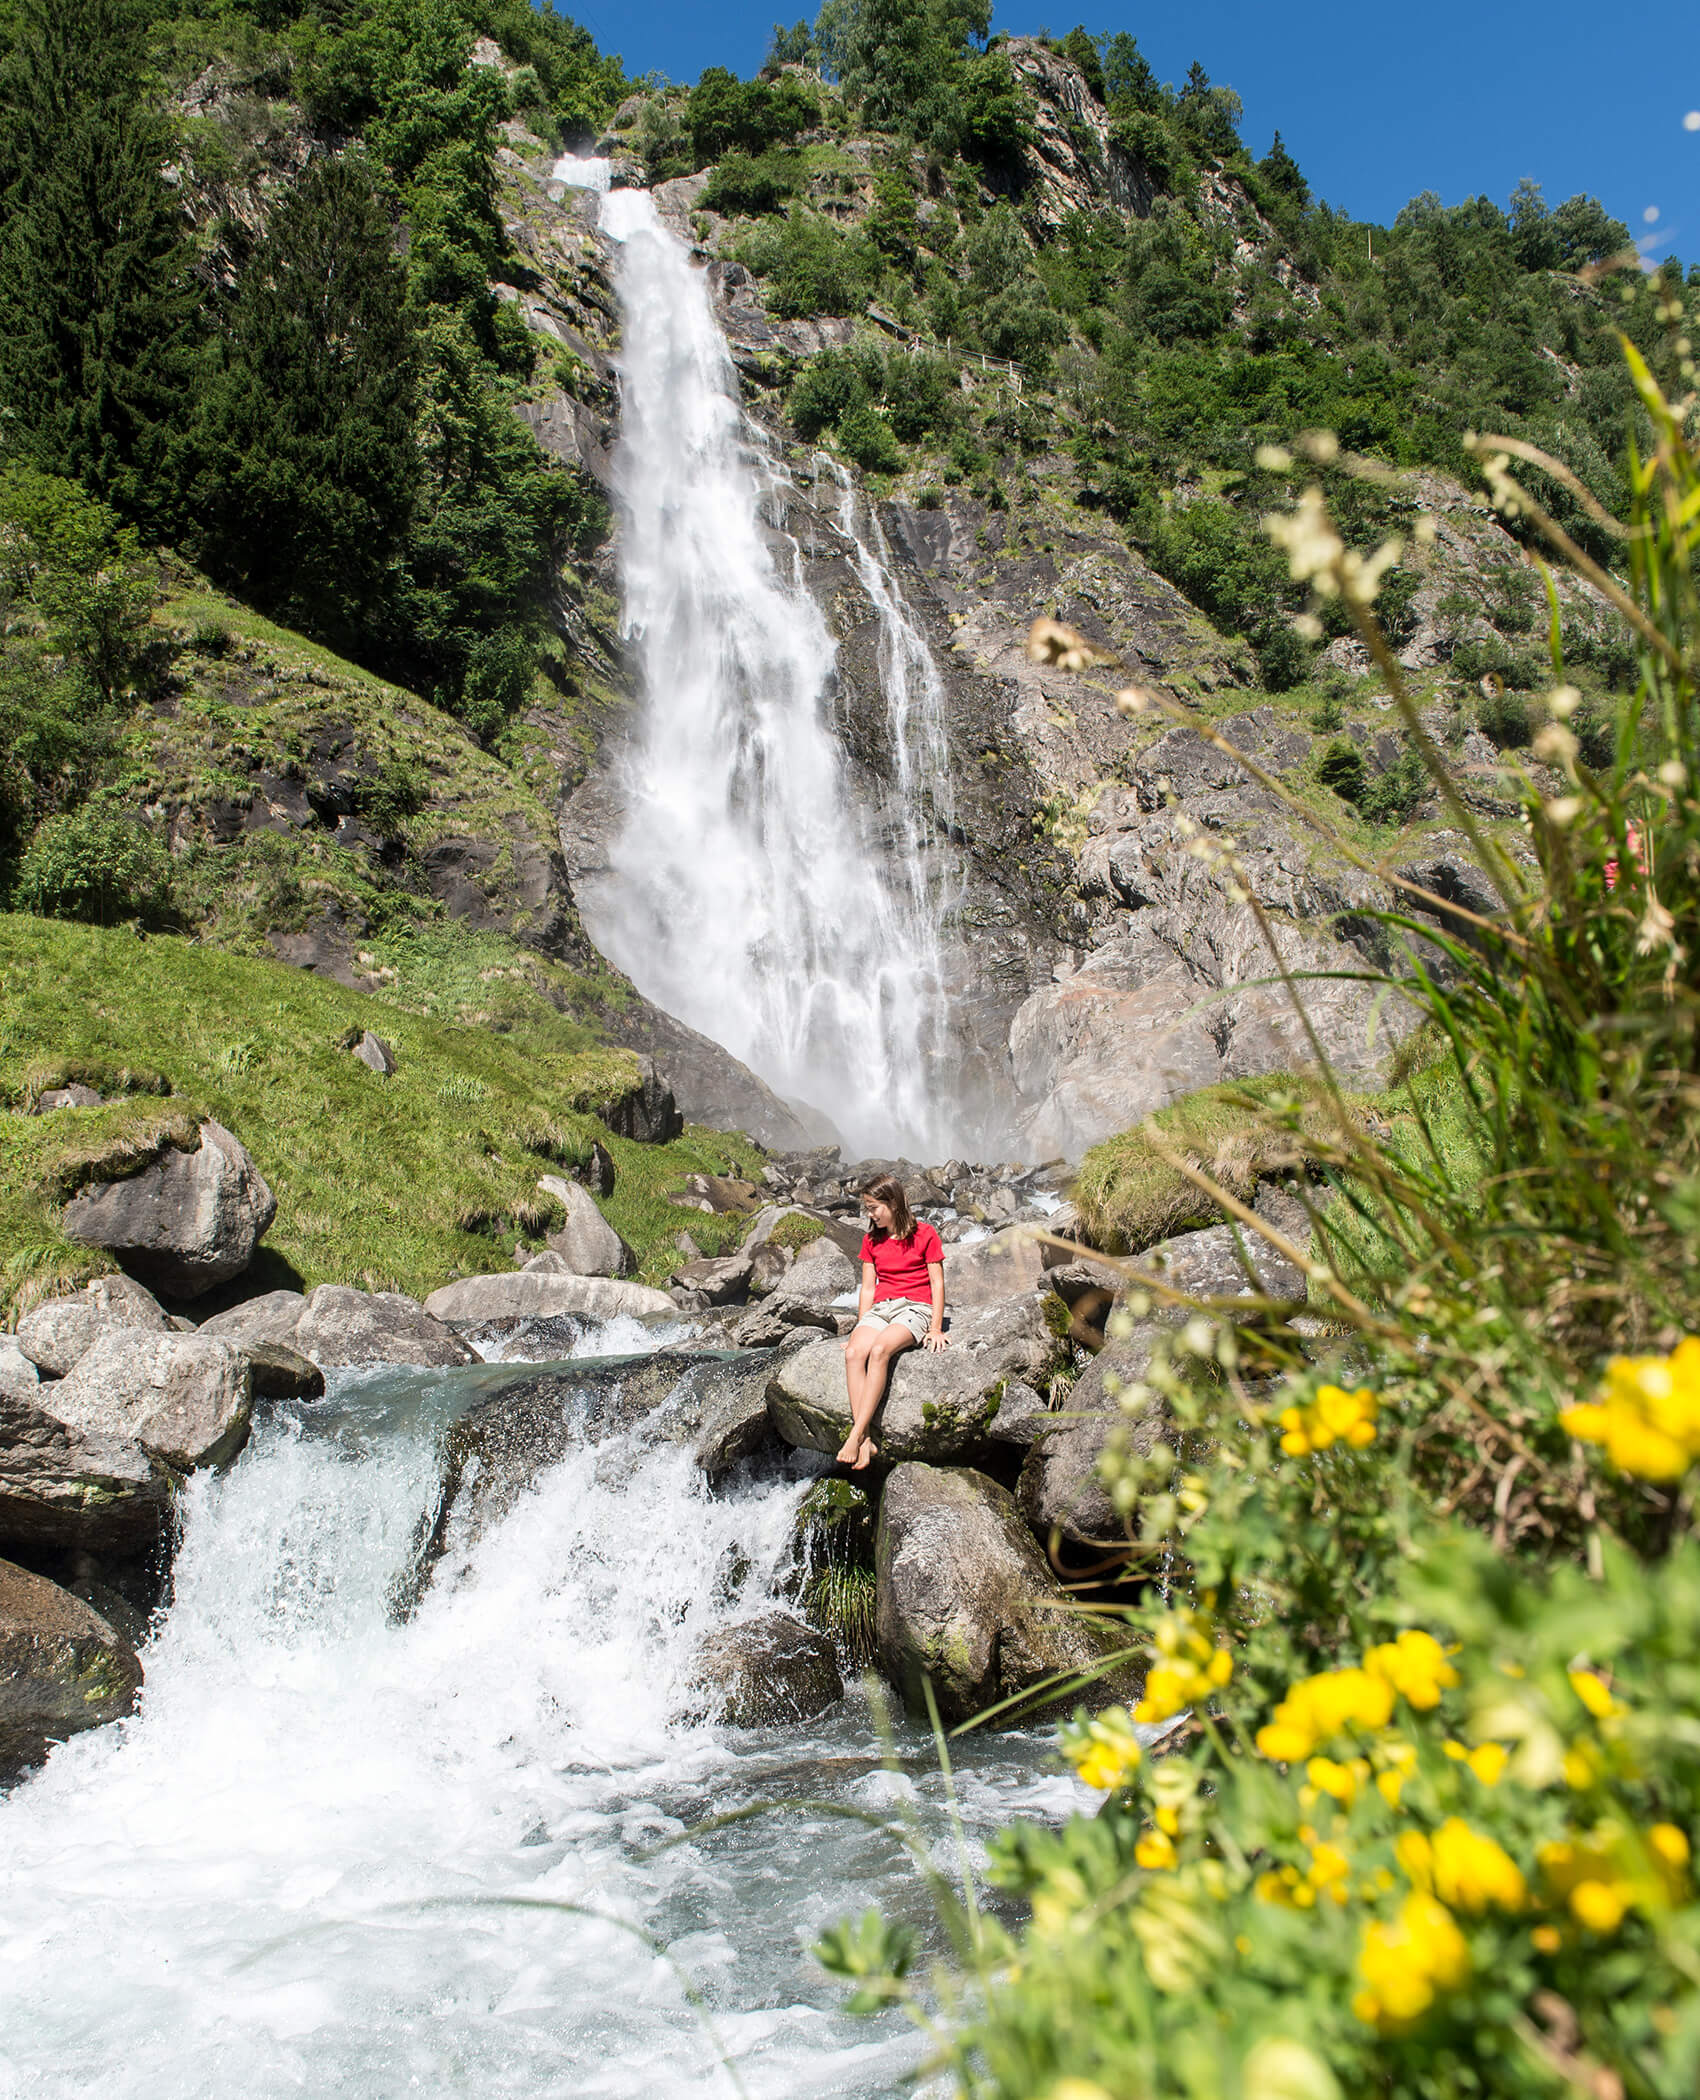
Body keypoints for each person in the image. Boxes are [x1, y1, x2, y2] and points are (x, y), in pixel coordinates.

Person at [837, 1173, 947, 1470]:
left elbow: (937, 1283)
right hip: (882, 1308)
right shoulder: (871, 1240)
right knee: (853, 1353)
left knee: (880, 1351)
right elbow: (869, 1288)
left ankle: (857, 1434)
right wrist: (861, 1327)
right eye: (868, 1209)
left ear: (894, 1202)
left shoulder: (925, 1234)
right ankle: (867, 1438)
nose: (870, 1214)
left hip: (915, 1307)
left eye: (874, 1207)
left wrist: (935, 1327)